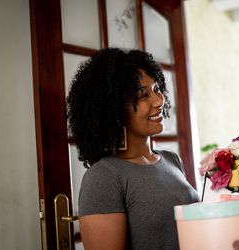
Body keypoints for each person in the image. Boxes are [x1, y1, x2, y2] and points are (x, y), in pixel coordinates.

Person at [66, 48, 199, 250]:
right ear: (114, 107)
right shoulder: (104, 177)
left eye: (156, 89)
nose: (158, 100)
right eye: (142, 95)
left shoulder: (172, 160)